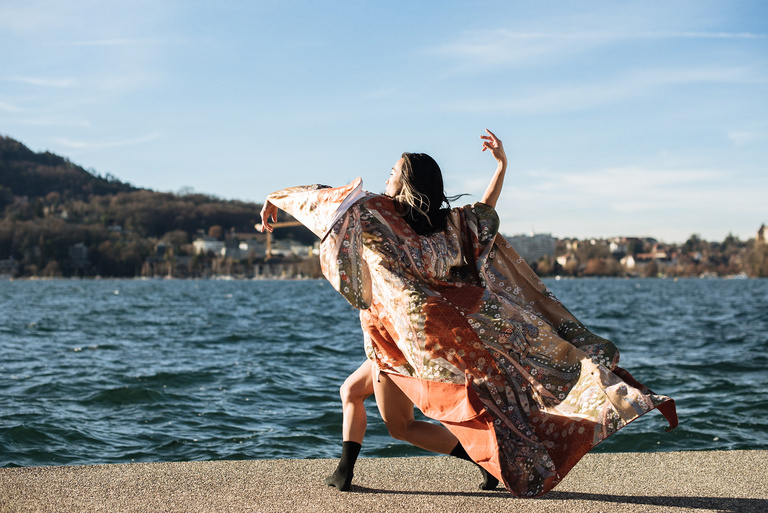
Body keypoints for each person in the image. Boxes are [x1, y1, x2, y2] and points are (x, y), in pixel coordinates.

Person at [260, 130, 677, 497]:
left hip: (398, 334)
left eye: (392, 170)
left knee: (398, 426)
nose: (385, 175)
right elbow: (486, 209)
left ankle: (477, 462)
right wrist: (502, 166)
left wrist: (276, 199)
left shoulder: (380, 216)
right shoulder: (451, 225)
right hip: (435, 333)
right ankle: (350, 471)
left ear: (406, 182)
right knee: (354, 394)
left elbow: (331, 204)